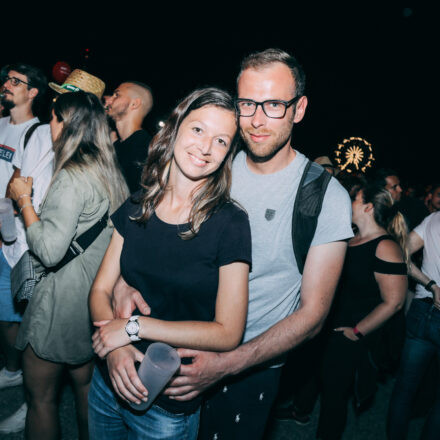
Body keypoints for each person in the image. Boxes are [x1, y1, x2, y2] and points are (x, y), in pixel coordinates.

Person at [112, 48, 353, 439]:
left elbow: (313, 315)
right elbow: (158, 232)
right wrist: (125, 279)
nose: (256, 119)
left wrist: (228, 364)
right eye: (247, 103)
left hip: (248, 367)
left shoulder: (323, 196)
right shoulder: (215, 160)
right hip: (169, 341)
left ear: (299, 108)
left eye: (274, 105)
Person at [88, 87, 251, 440]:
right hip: (107, 381)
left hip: (167, 402)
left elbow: (228, 332)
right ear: (175, 128)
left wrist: (134, 328)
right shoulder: (139, 203)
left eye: (221, 141)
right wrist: (117, 348)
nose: (206, 148)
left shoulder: (230, 223)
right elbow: (100, 289)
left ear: (228, 153)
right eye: (198, 130)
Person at [8, 91, 128, 440]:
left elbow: (48, 250)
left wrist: (24, 200)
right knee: (86, 389)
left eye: (54, 118)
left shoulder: (73, 175)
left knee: (40, 399)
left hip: (60, 302)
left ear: (66, 125)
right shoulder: (110, 171)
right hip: (94, 301)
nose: (50, 124)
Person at [316, 183, 408, 440]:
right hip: (332, 326)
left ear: (368, 207)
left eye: (354, 198)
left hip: (352, 333)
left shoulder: (385, 247)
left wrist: (356, 332)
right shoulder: (352, 238)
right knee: (328, 391)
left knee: (334, 399)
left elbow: (394, 302)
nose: (348, 202)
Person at [0, 63, 46, 429]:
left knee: (26, 319)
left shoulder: (39, 133)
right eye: (7, 78)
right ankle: (13, 369)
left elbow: (22, 190)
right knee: (5, 314)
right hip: (4, 236)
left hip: (18, 239)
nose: (7, 84)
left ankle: (34, 396)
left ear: (33, 92)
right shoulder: (2, 124)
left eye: (17, 81)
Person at [387, 211, 440, 440]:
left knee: (404, 390)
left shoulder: (434, 218)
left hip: (422, 311)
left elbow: (399, 254)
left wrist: (431, 285)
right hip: (425, 314)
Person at [105, 81, 153, 193]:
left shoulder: (144, 151)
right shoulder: (117, 144)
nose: (109, 99)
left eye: (117, 95)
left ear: (134, 104)